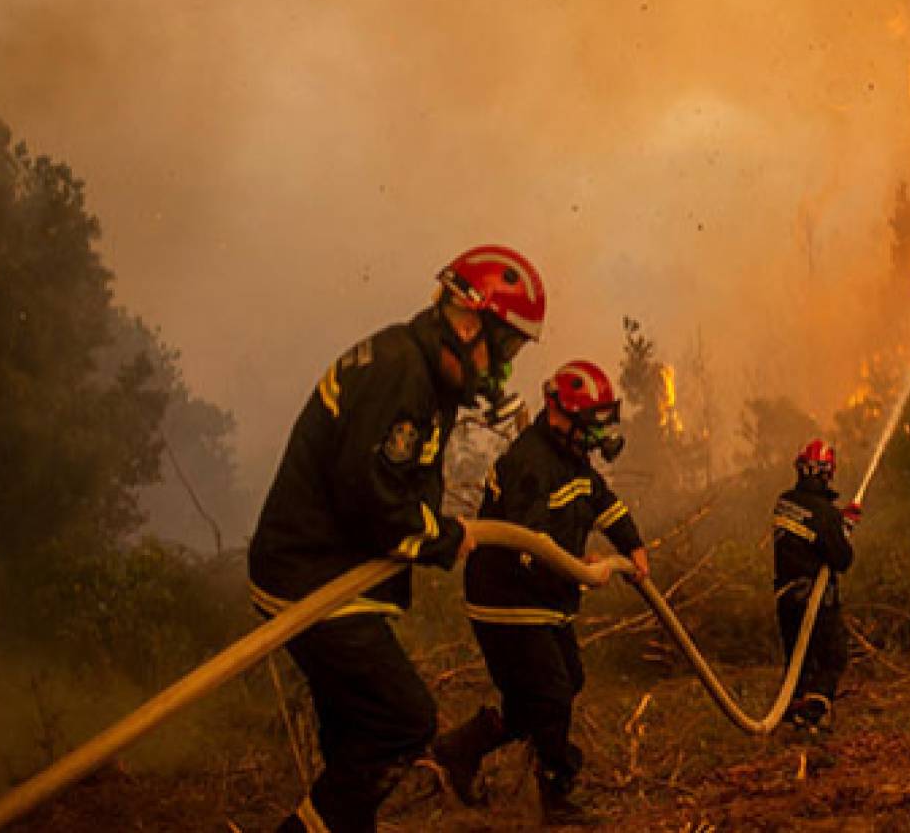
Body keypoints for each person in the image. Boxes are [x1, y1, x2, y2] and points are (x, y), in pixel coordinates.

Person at [249, 245, 545, 833]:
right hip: (314, 580)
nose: (501, 370)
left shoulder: (414, 368)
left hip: (321, 573)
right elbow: (374, 505)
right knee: (402, 719)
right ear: (466, 321)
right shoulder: (401, 375)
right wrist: (443, 538)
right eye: (504, 347)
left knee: (354, 734)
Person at [432, 360, 650, 826]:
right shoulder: (529, 466)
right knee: (550, 693)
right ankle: (555, 792)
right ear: (561, 416)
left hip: (543, 598)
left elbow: (601, 502)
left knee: (565, 682)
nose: (597, 439)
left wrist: (632, 545)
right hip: (507, 599)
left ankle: (461, 748)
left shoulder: (570, 457)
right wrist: (581, 572)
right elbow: (531, 550)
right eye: (591, 427)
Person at [771, 438, 861, 733]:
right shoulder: (826, 513)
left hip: (786, 597)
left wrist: (839, 525)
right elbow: (842, 560)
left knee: (799, 660)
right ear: (826, 474)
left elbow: (808, 537)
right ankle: (812, 711)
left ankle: (796, 711)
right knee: (833, 656)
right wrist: (842, 529)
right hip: (815, 599)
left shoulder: (784, 502)